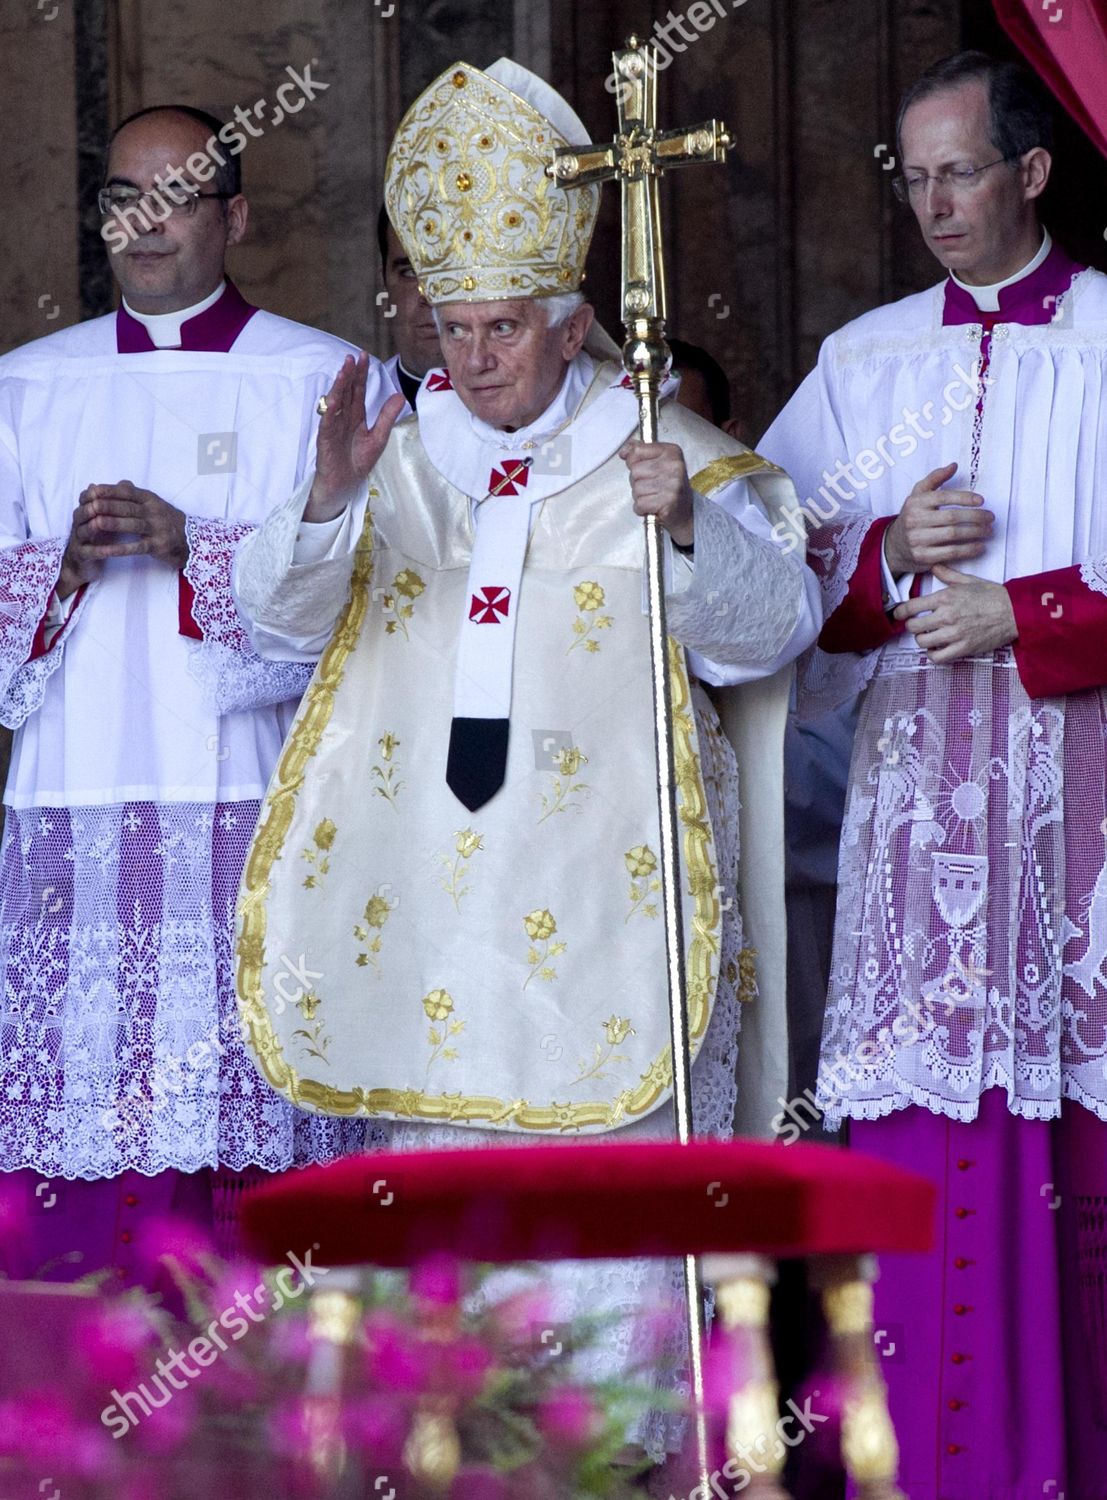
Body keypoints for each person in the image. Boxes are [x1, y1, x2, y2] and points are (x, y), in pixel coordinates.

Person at [232, 57, 820, 1468]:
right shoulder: (389, 450)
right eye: (451, 325)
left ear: (571, 329)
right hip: (418, 940)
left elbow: (774, 634)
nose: (472, 356)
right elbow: (270, 629)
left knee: (597, 1288)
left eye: (500, 327)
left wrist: (685, 529)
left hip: (599, 944)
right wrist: (323, 503)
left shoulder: (663, 450)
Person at [760, 50, 1107, 1498]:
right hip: (912, 819)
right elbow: (769, 587)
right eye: (909, 177)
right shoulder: (865, 360)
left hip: (1074, 810)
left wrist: (1024, 615)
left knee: (1071, 1158)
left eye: (957, 170)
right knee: (912, 1143)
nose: (931, 203)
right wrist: (891, 552)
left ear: (1029, 172)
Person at [0, 103, 401, 1285]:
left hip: (254, 802)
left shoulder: (324, 380)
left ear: (237, 214)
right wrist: (54, 569)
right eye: (123, 195)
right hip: (71, 805)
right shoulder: (25, 387)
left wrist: (200, 547)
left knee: (243, 1152)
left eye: (175, 194)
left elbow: (370, 611)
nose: (144, 222)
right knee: (80, 1137)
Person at [376, 204, 443, 406]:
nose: (431, 296)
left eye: (452, 273)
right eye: (411, 273)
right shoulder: (349, 412)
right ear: (384, 282)